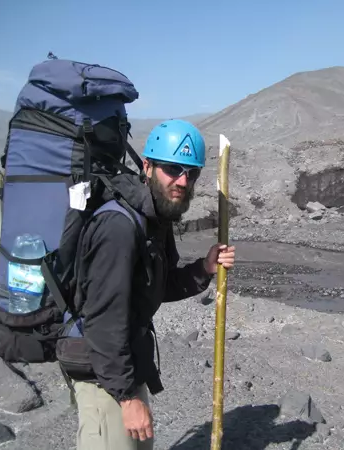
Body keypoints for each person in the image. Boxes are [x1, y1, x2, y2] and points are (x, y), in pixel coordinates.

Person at [69, 119, 236, 450]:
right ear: (147, 166)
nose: (183, 181)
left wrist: (204, 268)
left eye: (192, 173)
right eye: (173, 169)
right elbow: (102, 320)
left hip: (124, 366)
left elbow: (155, 288)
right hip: (102, 373)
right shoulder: (119, 226)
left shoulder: (155, 218)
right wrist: (127, 397)